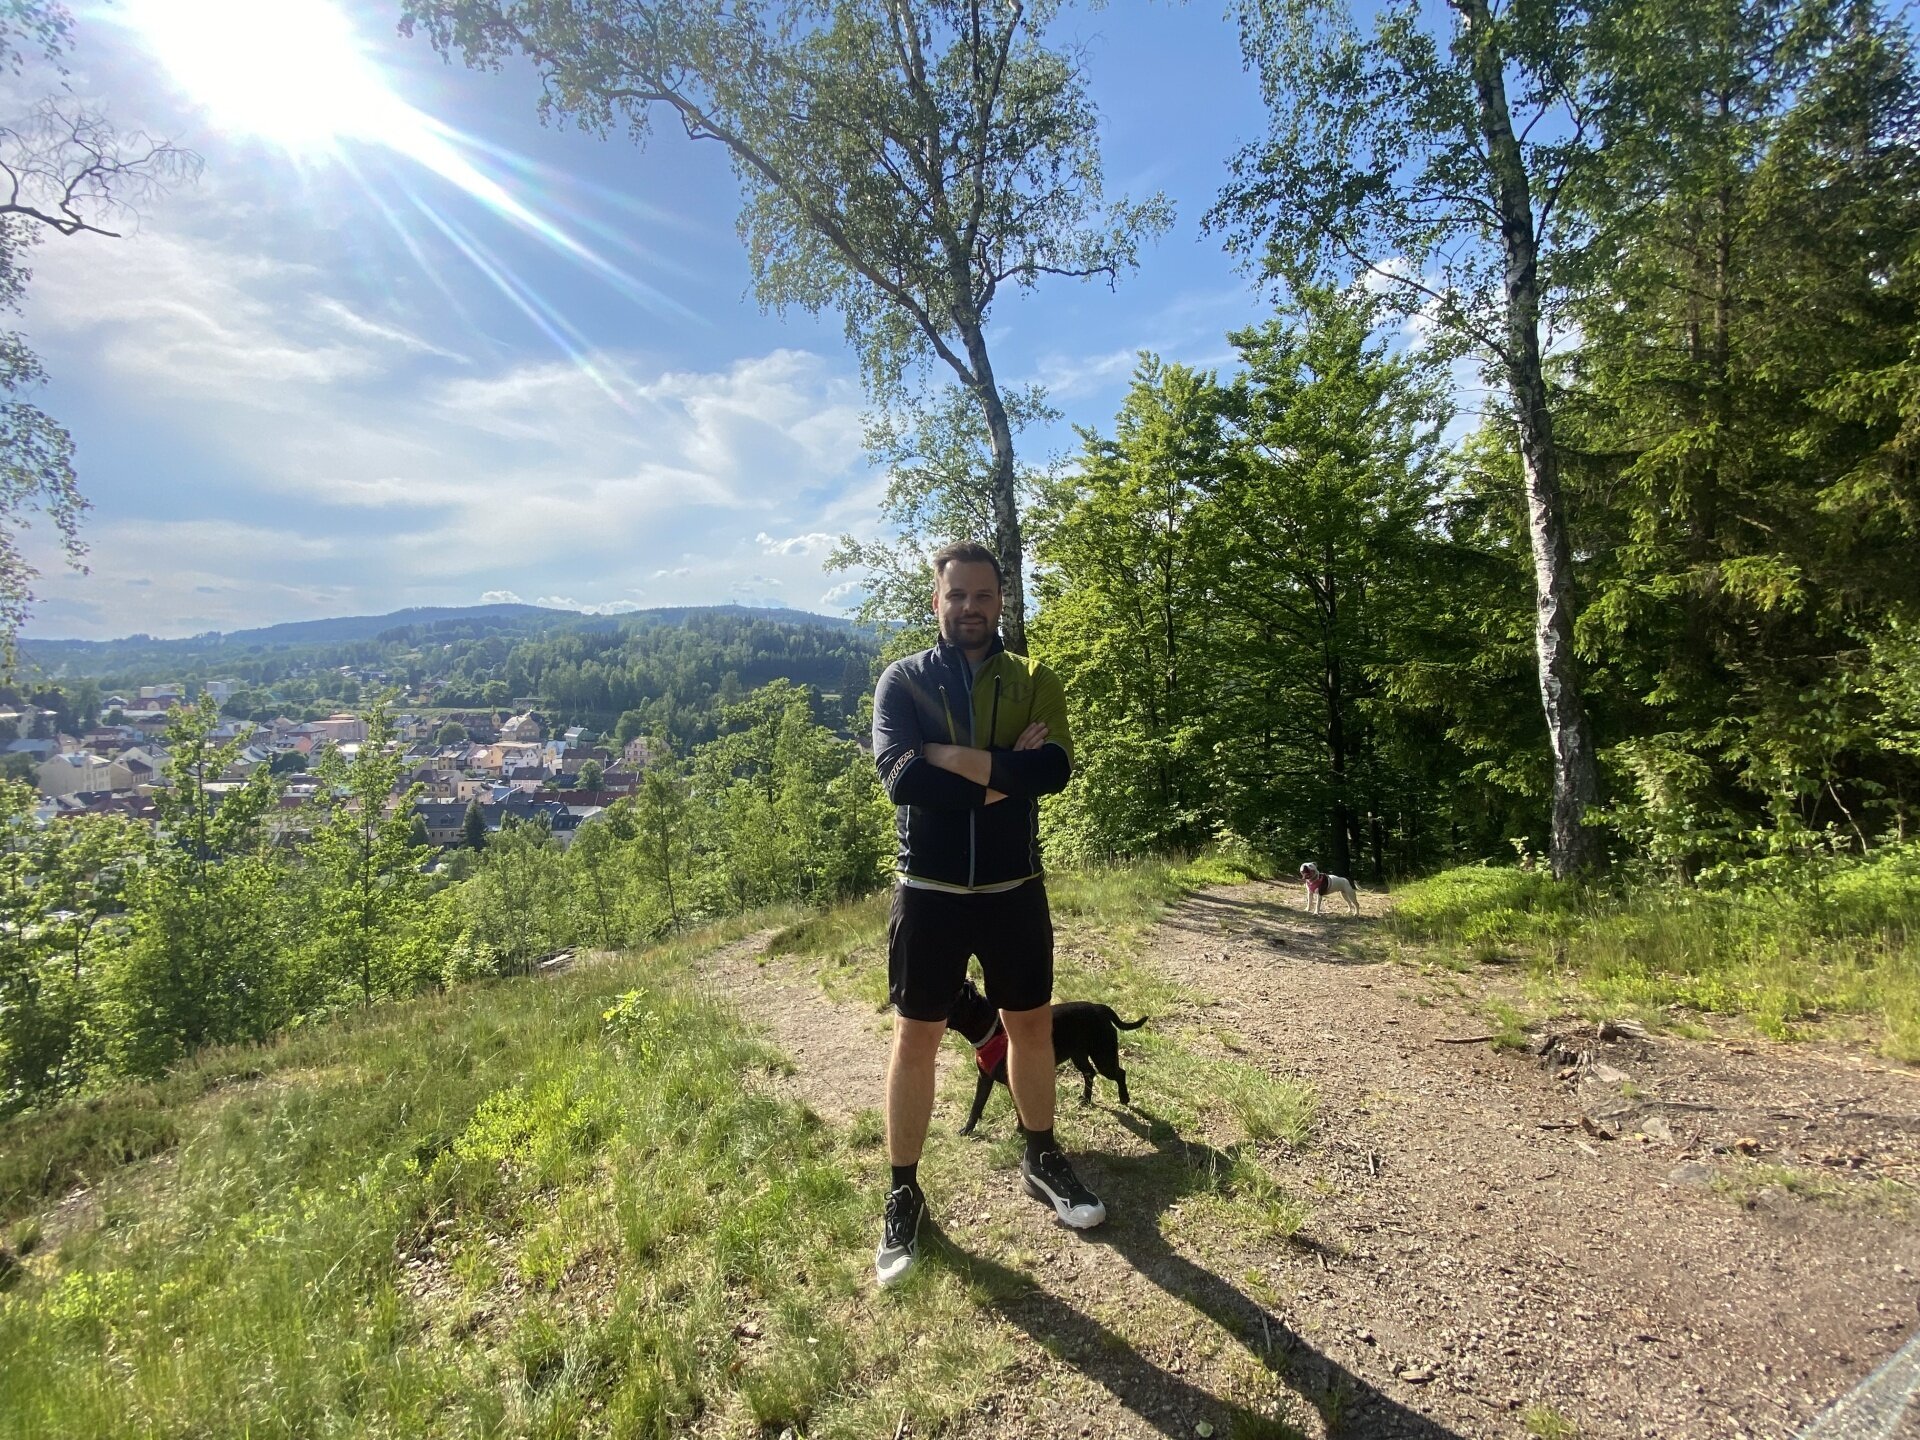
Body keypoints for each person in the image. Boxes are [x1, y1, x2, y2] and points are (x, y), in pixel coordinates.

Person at [868, 540, 1105, 1288]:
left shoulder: (1034, 679)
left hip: (1013, 889)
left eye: (983, 595)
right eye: (957, 595)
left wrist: (949, 755)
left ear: (1001, 600)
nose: (970, 607)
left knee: (1030, 1028)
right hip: (929, 891)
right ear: (936, 601)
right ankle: (903, 1192)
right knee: (916, 1039)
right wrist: (1006, 773)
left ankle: (1041, 1155)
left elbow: (1054, 770)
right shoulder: (903, 680)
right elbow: (903, 780)